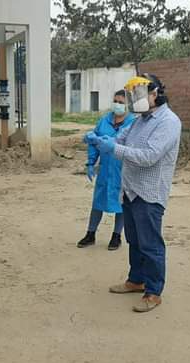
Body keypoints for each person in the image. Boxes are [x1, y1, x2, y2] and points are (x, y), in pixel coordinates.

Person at [86, 74, 181, 313]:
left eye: (138, 94)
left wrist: (113, 147)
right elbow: (119, 138)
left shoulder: (168, 121)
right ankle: (136, 280)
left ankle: (153, 292)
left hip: (149, 193)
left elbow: (149, 156)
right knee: (134, 241)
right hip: (129, 190)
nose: (134, 100)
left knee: (151, 245)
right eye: (133, 95)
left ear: (155, 93)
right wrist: (99, 140)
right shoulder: (140, 120)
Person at [77, 90, 136, 250]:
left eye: (121, 102)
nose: (117, 105)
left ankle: (116, 236)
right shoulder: (104, 121)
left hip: (123, 169)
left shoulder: (133, 123)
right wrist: (91, 163)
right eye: (115, 101)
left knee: (121, 203)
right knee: (98, 201)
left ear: (128, 105)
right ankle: (90, 234)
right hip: (105, 168)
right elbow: (93, 142)